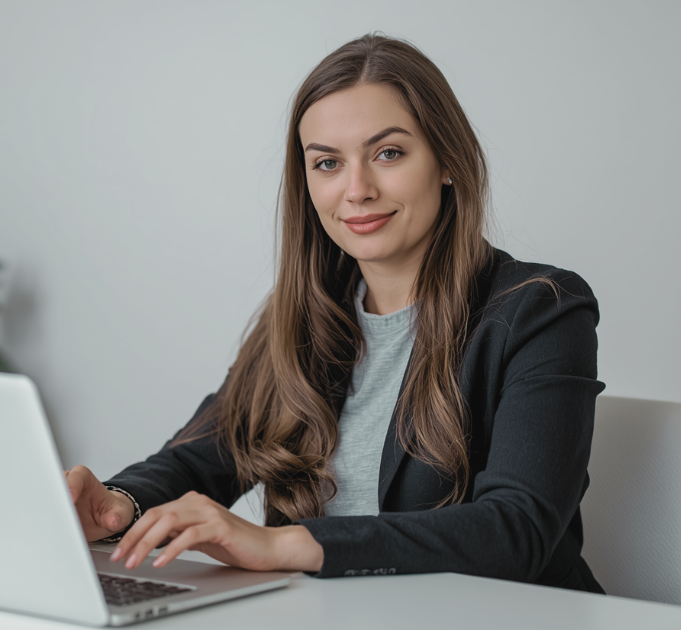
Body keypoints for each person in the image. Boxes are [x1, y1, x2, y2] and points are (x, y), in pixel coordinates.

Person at [65, 33, 605, 593]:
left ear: (446, 160)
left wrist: (282, 545)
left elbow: (517, 529)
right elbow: (199, 458)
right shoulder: (301, 317)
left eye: (388, 153)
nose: (357, 189)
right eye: (327, 163)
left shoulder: (541, 309)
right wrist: (115, 505)